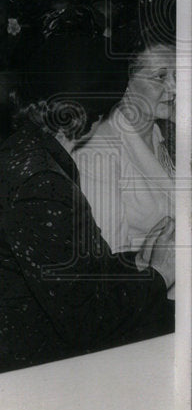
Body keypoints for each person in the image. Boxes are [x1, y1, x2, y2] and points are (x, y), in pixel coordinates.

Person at [0, 36, 174, 373]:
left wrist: (137, 261)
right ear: (90, 116)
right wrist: (159, 274)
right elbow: (87, 319)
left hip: (45, 341)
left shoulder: (26, 153)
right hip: (42, 362)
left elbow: (82, 275)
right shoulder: (43, 182)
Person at [73, 42, 176, 278]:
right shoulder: (99, 149)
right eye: (160, 76)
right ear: (126, 82)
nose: (174, 87)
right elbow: (110, 256)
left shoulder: (162, 133)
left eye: (177, 75)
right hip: (143, 292)